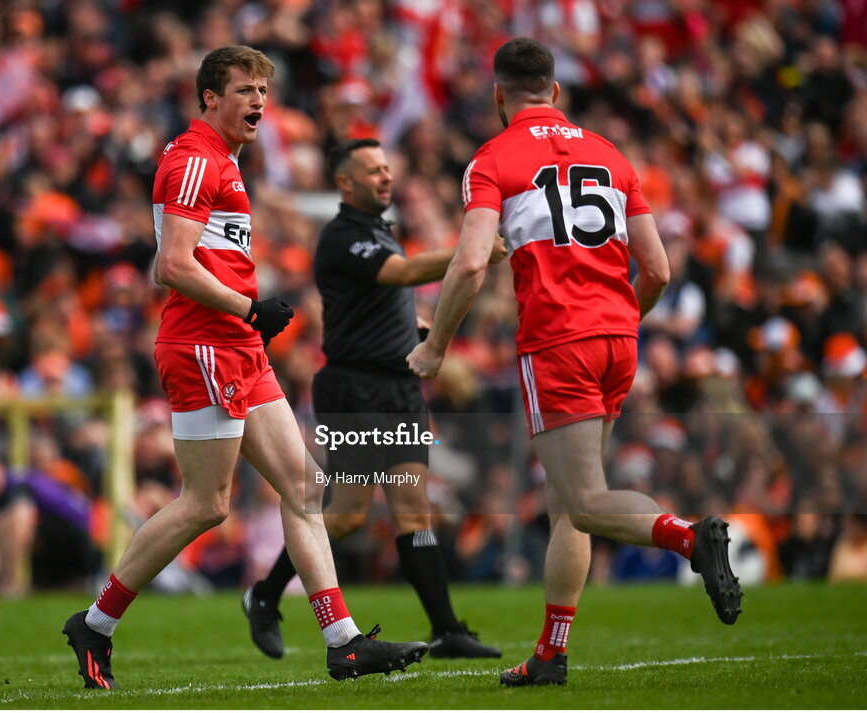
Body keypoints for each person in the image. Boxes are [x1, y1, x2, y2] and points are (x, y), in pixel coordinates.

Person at [61, 46, 428, 689]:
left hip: (236, 344)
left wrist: (246, 317)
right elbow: (170, 265)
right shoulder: (194, 159)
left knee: (305, 488)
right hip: (204, 344)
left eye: (264, 88)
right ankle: (96, 622)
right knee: (207, 504)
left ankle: (342, 642)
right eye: (244, 89)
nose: (259, 100)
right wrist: (248, 307)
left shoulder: (222, 158)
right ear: (209, 97)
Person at [406, 38, 743, 687]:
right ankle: (552, 652)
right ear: (555, 92)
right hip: (618, 334)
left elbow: (472, 260)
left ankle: (689, 536)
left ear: (500, 96)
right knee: (568, 500)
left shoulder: (494, 158)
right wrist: (619, 321)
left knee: (584, 501)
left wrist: (436, 345)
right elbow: (659, 269)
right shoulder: (611, 154)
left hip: (558, 338)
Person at [241, 138, 505, 660]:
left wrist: (412, 325)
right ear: (345, 182)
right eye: (374, 171)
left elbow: (382, 301)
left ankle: (448, 630)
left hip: (399, 388)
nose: (386, 177)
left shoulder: (381, 230)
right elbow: (402, 275)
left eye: (388, 168)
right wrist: (468, 254)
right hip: (355, 390)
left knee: (413, 510)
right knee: (347, 515)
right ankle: (265, 596)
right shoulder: (342, 235)